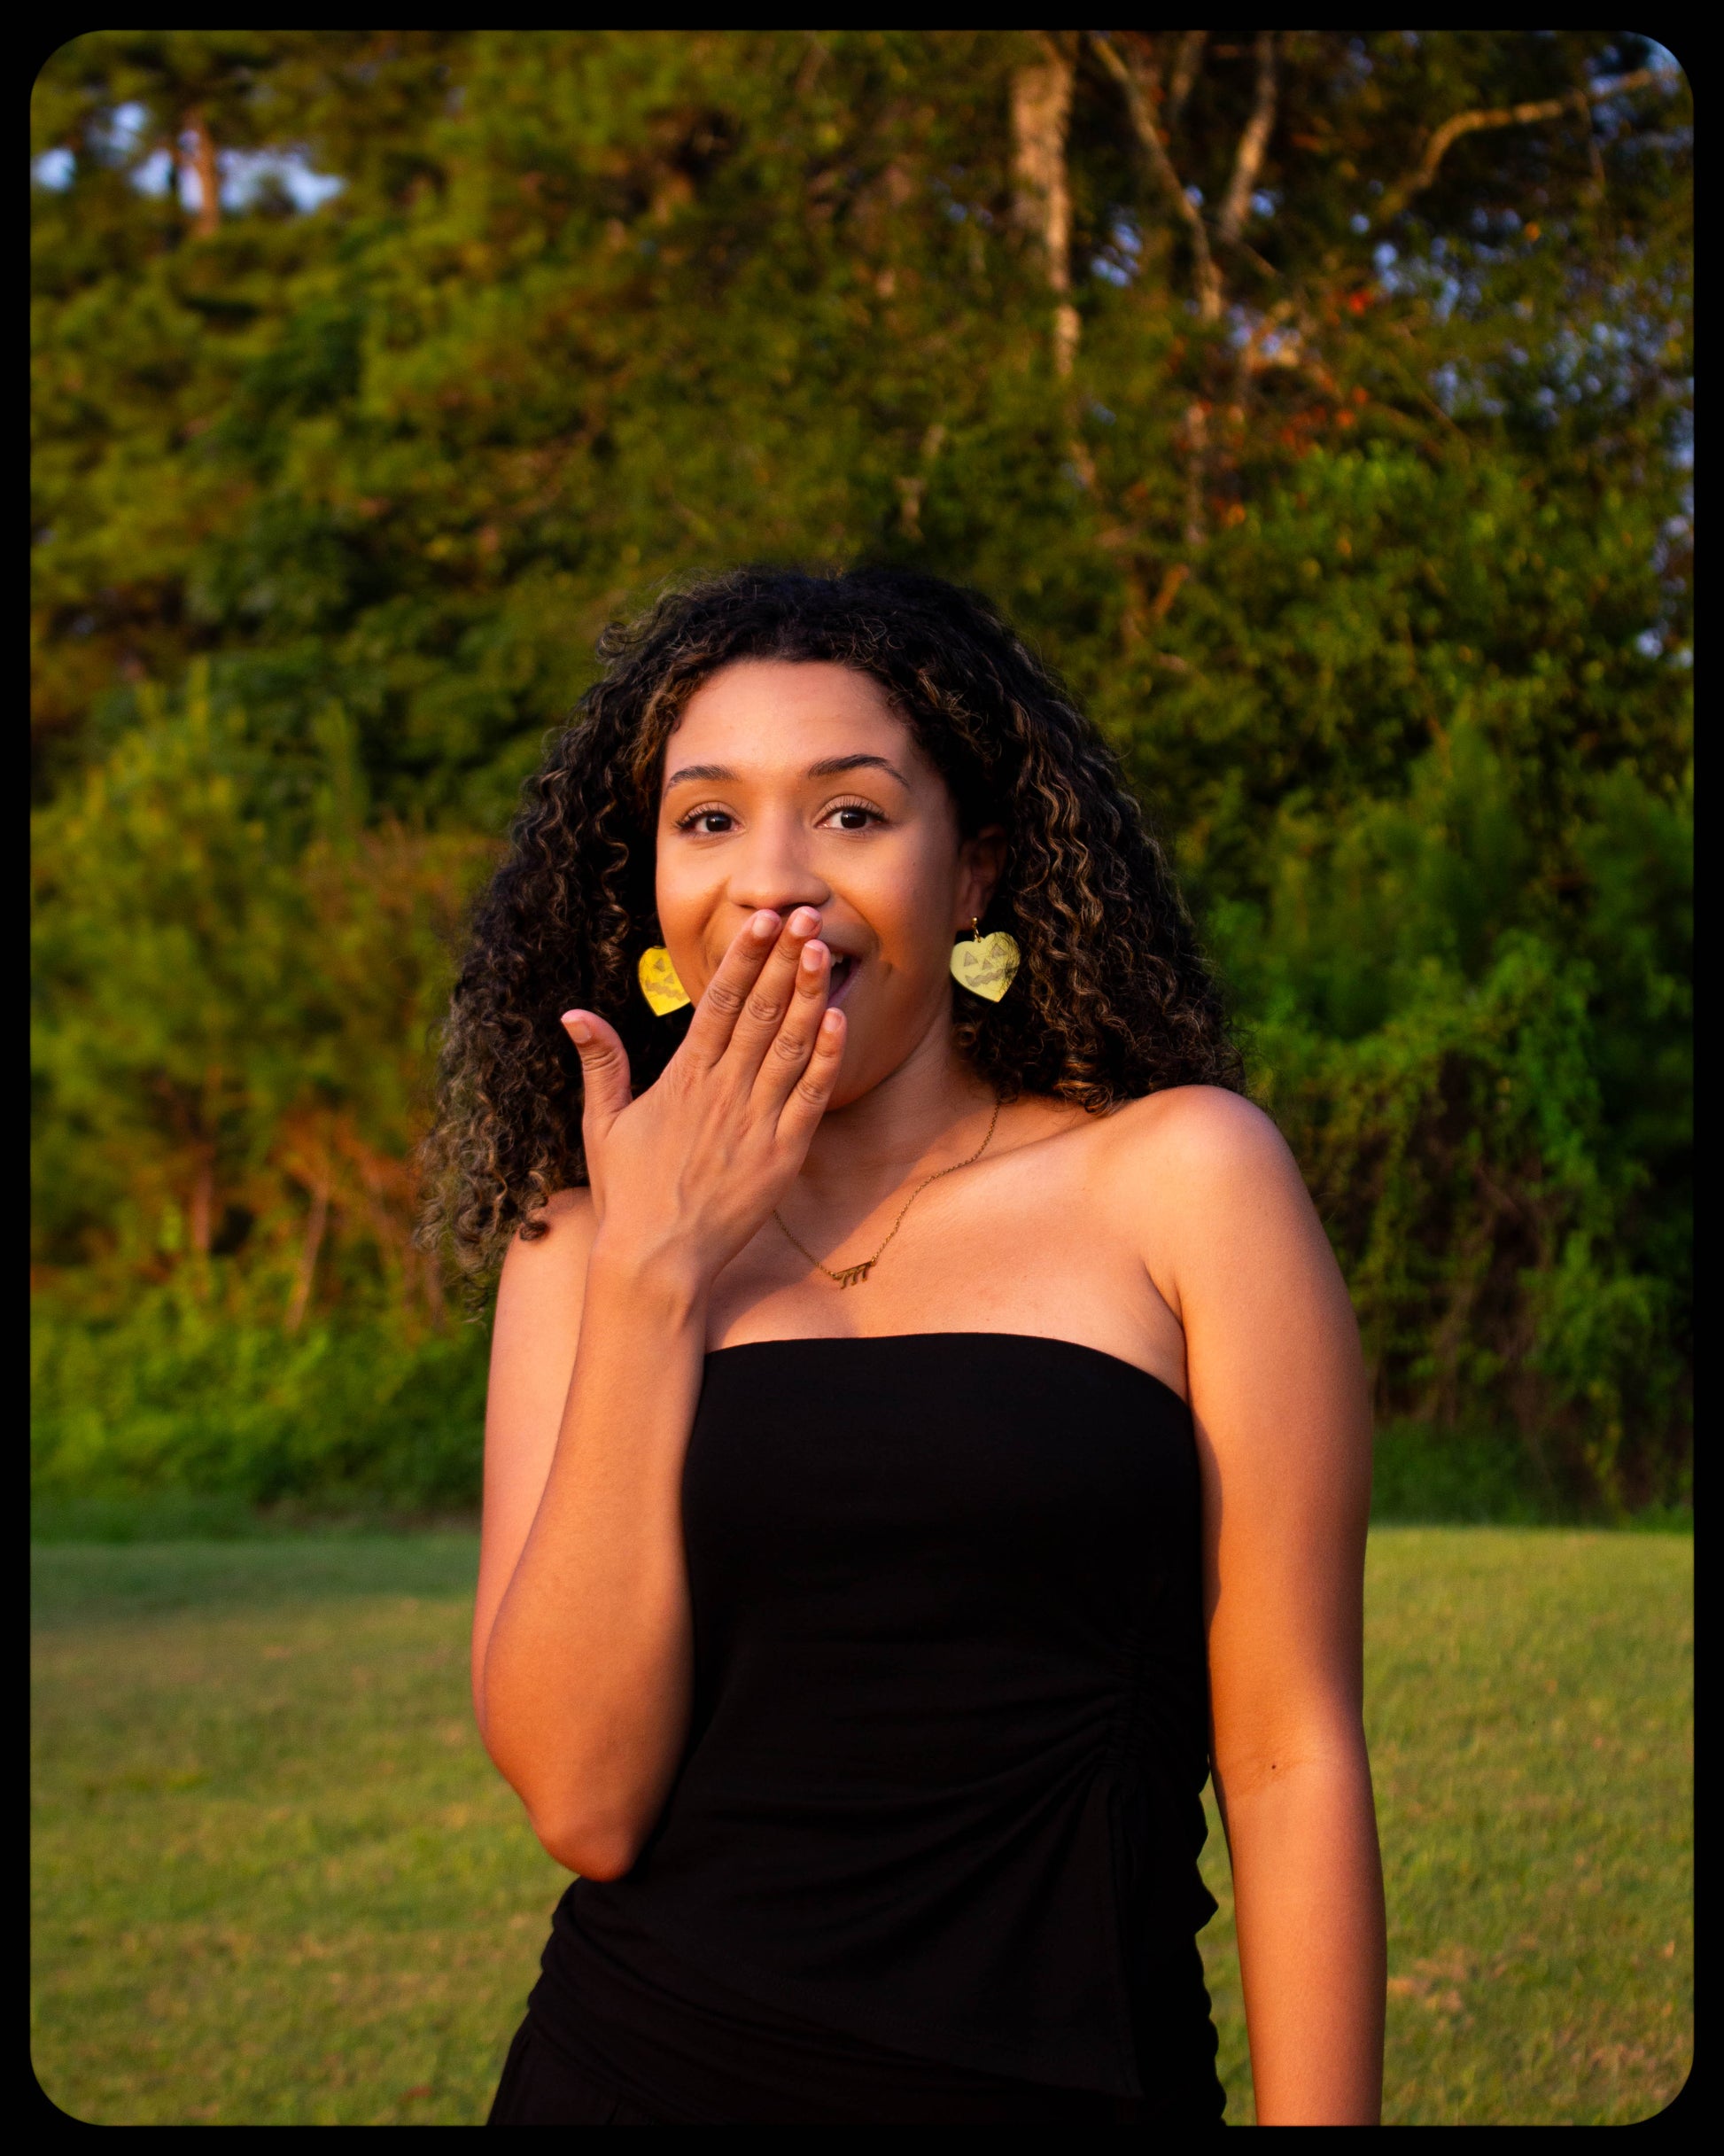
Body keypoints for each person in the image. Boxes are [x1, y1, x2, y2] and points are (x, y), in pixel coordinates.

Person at [422, 565, 1386, 2125]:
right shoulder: (581, 1245)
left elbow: (1288, 1753)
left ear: (975, 869)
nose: (773, 881)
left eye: (852, 813)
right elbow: (584, 1803)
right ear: (652, 883)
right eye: (708, 817)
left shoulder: (1184, 1178)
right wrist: (656, 1273)